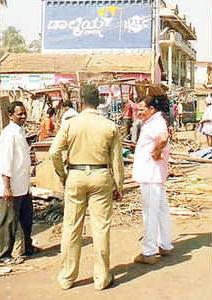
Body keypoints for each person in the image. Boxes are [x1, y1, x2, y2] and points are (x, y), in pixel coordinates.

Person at [49, 83, 124, 291]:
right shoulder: (109, 125)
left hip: (75, 175)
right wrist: (119, 185)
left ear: (81, 100)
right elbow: (117, 161)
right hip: (101, 176)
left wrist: (63, 175)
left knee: (71, 227)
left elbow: (54, 152)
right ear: (98, 101)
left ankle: (67, 277)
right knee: (101, 228)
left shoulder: (70, 124)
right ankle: (101, 278)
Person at [0, 101, 40, 265]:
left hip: (23, 185)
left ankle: (26, 247)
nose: (23, 117)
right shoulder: (8, 134)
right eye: (19, 114)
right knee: (8, 221)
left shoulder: (19, 132)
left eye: (24, 113)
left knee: (25, 220)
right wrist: (6, 187)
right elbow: (5, 162)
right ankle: (2, 255)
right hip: (12, 187)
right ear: (10, 115)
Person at [132, 95, 174, 265]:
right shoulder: (154, 120)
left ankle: (149, 251)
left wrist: (156, 151)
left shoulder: (157, 122)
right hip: (153, 174)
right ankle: (165, 244)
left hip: (151, 174)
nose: (138, 113)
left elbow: (164, 138)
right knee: (161, 210)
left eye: (141, 110)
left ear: (151, 109)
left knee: (150, 212)